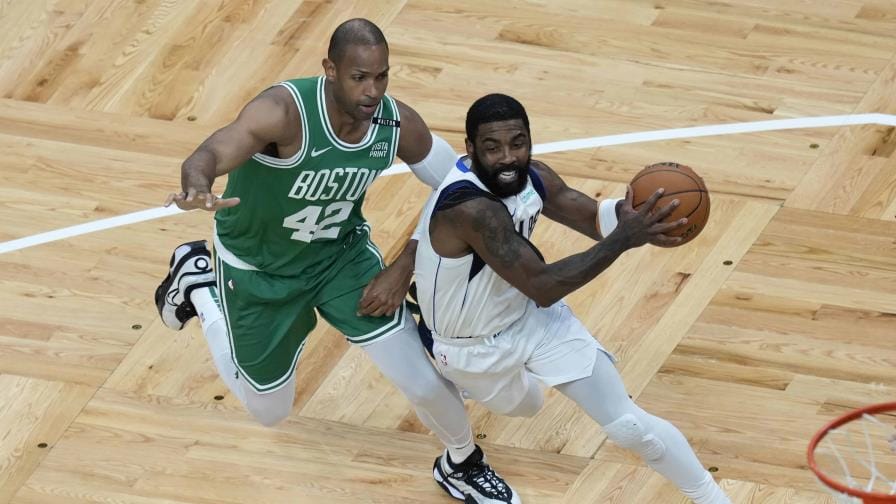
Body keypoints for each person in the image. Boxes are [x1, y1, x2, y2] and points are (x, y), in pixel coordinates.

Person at [155, 19, 519, 504]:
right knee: (269, 412)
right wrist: (198, 184)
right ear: (330, 69)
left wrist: (405, 264)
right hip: (259, 270)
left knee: (421, 380)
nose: (372, 91)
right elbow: (212, 150)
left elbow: (461, 187)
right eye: (359, 77)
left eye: (381, 77)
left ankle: (462, 462)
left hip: (340, 260)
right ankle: (201, 287)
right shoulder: (283, 113)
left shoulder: (395, 123)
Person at [413, 93, 731, 504]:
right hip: (472, 346)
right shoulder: (470, 209)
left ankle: (713, 499)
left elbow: (593, 218)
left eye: (518, 143)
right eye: (493, 148)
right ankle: (451, 391)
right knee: (525, 405)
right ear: (471, 149)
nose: (508, 158)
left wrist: (638, 215)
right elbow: (545, 285)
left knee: (628, 425)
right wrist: (623, 240)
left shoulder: (533, 176)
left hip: (529, 316)